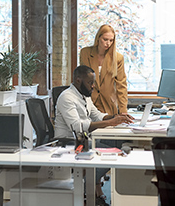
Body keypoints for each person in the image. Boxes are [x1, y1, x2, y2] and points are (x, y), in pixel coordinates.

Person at [54, 65, 133, 206]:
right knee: (111, 153)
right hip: (70, 141)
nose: (93, 86)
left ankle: (92, 186)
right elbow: (77, 127)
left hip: (85, 139)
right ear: (78, 80)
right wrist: (110, 122)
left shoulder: (84, 96)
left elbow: (97, 115)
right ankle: (84, 190)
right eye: (90, 82)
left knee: (118, 143)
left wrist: (117, 117)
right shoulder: (67, 97)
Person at [79, 24, 128, 115]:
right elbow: (81, 80)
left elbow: (121, 86)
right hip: (89, 103)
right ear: (98, 38)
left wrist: (123, 110)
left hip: (108, 105)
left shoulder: (118, 58)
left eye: (111, 40)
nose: (108, 43)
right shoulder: (85, 53)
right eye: (105, 39)